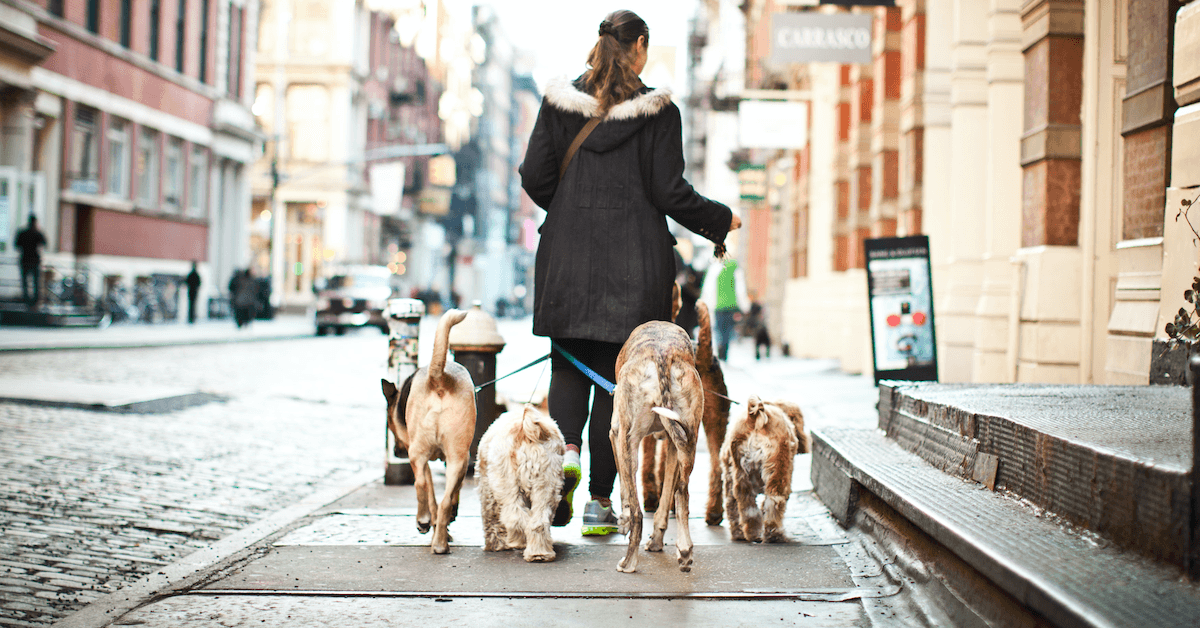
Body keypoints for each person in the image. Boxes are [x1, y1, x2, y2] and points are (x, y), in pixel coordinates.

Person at [519, 10, 741, 536]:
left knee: (568, 366)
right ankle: (598, 501)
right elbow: (670, 192)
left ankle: (565, 456)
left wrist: (570, 210)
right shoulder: (660, 114)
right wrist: (720, 219)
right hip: (636, 265)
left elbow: (534, 176)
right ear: (639, 46)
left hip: (567, 260)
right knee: (614, 382)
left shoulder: (557, 104)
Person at [701, 257, 749, 361]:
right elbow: (740, 289)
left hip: (718, 307)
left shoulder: (714, 268)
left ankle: (720, 350)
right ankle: (724, 353)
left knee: (719, 330)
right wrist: (745, 306)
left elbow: (708, 289)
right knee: (727, 332)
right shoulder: (735, 268)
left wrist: (705, 304)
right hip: (731, 307)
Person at [15, 215, 46, 307]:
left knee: (25, 282)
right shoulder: (37, 233)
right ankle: (35, 300)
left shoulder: (22, 233)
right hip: (34, 260)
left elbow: (17, 245)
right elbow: (44, 243)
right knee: (36, 282)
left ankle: (26, 299)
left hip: (25, 259)